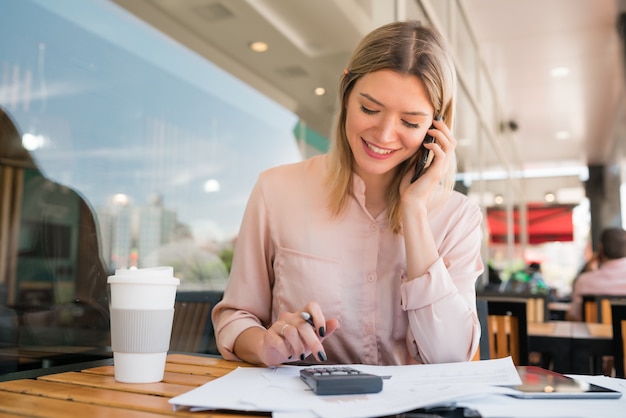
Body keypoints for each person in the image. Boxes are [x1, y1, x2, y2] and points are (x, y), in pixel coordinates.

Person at [212, 21, 484, 367]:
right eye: (369, 109)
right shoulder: (275, 190)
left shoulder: (458, 217)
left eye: (411, 123)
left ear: (436, 126)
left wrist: (414, 211)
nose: (384, 135)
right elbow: (236, 318)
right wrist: (267, 344)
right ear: (345, 92)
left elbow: (451, 358)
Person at [566, 227, 626, 321]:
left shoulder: (585, 280)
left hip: (593, 335)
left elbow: (574, 316)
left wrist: (587, 270)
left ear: (600, 248)